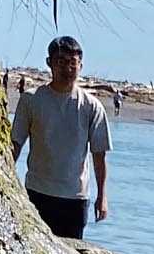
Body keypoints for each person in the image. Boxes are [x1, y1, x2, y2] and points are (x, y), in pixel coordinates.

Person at [10, 34, 110, 240]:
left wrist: (102, 196)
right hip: (37, 192)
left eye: (73, 63)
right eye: (61, 62)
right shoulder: (32, 100)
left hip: (74, 198)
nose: (67, 69)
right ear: (49, 63)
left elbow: (99, 156)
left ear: (81, 65)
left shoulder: (91, 106)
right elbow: (15, 143)